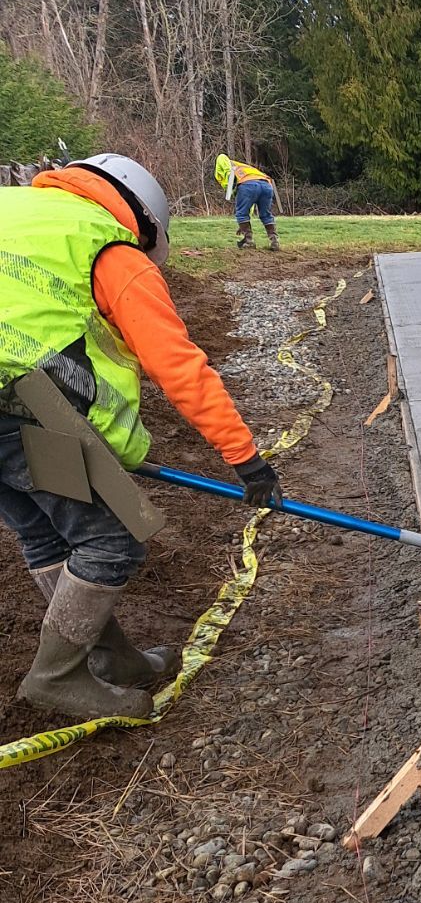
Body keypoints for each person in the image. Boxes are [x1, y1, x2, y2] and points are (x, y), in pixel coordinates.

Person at [0, 155, 280, 722]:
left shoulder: (13, 208)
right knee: (113, 540)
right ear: (143, 219)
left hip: (15, 403)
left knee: (45, 530)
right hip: (22, 403)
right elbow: (177, 365)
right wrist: (246, 458)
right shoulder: (110, 250)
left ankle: (111, 657)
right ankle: (57, 674)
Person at [214, 153, 281, 251]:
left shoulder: (228, 166)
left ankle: (248, 241)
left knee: (241, 213)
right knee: (266, 214)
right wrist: (242, 224)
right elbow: (249, 206)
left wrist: (230, 179)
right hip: (266, 184)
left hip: (246, 184)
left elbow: (221, 157)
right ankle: (274, 241)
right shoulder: (244, 168)